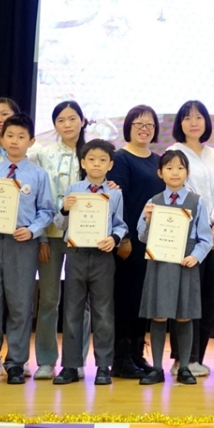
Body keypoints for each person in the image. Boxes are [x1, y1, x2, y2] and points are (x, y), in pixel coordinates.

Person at [0, 113, 55, 385]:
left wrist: (32, 230)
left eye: (21, 136)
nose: (15, 141)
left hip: (22, 243)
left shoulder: (38, 175)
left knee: (20, 305)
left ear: (31, 141)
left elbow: (47, 211)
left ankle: (16, 363)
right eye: (9, 136)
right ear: (1, 139)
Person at [52, 139, 129, 386]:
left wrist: (114, 239)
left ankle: (104, 366)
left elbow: (120, 224)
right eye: (92, 159)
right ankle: (70, 366)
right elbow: (58, 224)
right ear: (83, 163)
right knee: (72, 311)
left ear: (110, 165)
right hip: (75, 254)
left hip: (102, 257)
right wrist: (64, 209)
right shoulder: (73, 189)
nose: (97, 164)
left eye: (102, 160)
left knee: (103, 312)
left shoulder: (115, 193)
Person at [166, 100, 214, 377]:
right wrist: (202, 229)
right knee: (185, 299)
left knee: (208, 298)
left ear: (206, 121)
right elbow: (179, 193)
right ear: (180, 123)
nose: (193, 122)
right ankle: (181, 358)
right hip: (187, 238)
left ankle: (197, 358)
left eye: (198, 117)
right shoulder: (174, 153)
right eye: (187, 117)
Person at [137, 150, 214, 386]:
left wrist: (195, 257)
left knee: (184, 316)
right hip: (160, 265)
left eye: (180, 168)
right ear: (160, 173)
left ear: (187, 172)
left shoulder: (197, 201)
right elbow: (142, 236)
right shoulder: (153, 202)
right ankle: (157, 368)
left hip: (185, 265)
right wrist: (147, 220)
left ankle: (184, 367)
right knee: (158, 316)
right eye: (169, 168)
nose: (175, 173)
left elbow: (206, 238)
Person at [30, 100, 90, 380]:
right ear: (54, 125)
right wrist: (41, 236)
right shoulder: (44, 155)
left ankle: (76, 361)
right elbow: (37, 198)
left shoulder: (93, 153)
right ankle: (46, 360)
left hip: (84, 238)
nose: (67, 124)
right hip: (51, 236)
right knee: (48, 299)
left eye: (72, 118)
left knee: (81, 303)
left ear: (82, 121)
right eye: (61, 120)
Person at [106, 105, 164, 378]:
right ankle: (120, 359)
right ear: (128, 126)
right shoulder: (120, 158)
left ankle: (137, 354)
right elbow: (118, 203)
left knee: (143, 298)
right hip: (129, 241)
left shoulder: (158, 160)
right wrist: (124, 238)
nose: (144, 129)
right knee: (125, 298)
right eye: (139, 124)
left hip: (153, 242)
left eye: (150, 124)